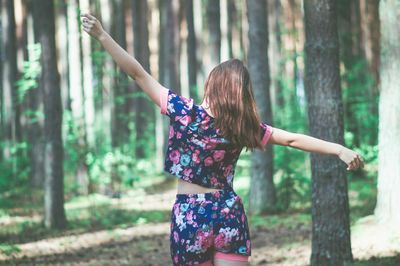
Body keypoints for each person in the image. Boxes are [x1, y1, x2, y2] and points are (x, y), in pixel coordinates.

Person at [81, 13, 364, 266]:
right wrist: (339, 149)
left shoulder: (185, 112)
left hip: (190, 215)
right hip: (228, 211)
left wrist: (102, 36)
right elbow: (292, 140)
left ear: (213, 86)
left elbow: (137, 73)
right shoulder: (243, 126)